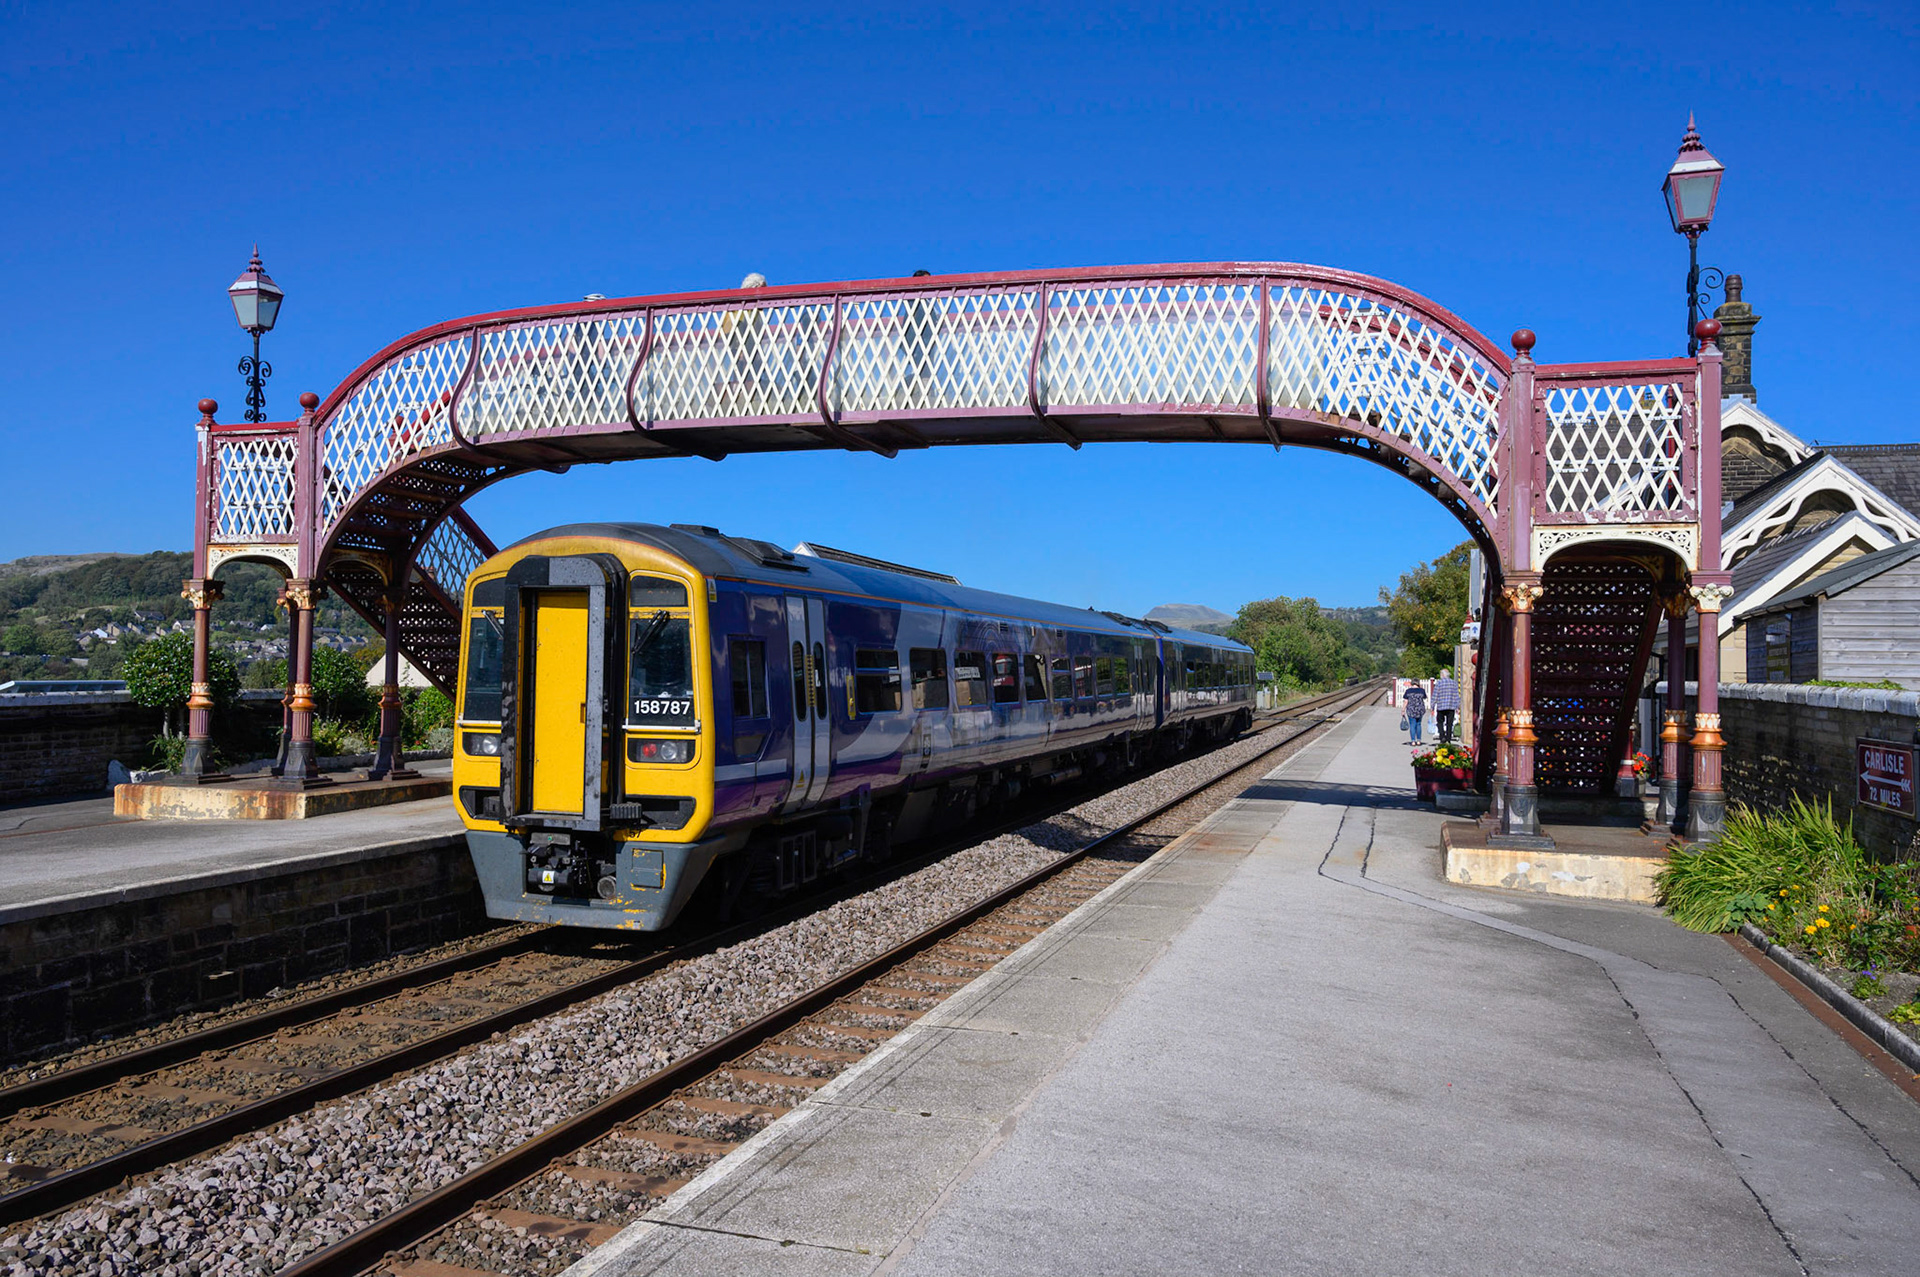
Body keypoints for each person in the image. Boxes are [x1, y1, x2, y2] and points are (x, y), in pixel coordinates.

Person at [1432, 667, 1461, 742]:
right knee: (1449, 723)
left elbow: (1435, 695)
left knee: (1440, 722)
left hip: (1441, 706)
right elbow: (1456, 696)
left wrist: (1432, 705)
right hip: (1451, 706)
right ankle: (1448, 739)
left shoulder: (1439, 683)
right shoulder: (1453, 683)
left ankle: (1442, 736)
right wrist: (1458, 706)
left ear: (1442, 675)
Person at [1403, 680, 1428, 745]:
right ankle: (1419, 740)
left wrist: (1403, 710)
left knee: (1412, 724)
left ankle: (1413, 741)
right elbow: (1425, 697)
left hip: (1411, 709)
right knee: (1419, 724)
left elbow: (1406, 701)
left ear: (1411, 684)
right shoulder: (1422, 690)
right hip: (1420, 709)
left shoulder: (1408, 691)